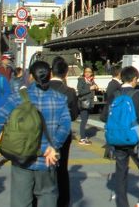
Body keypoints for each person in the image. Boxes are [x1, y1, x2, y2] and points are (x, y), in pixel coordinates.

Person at [0, 60, 72, 207]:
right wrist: (53, 147)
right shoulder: (60, 98)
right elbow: (66, 126)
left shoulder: (19, 97)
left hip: (22, 156)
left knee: (20, 200)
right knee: (47, 196)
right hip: (48, 159)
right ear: (50, 75)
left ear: (31, 76)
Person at [111, 66, 139, 207]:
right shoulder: (138, 95)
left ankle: (122, 204)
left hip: (117, 140)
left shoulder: (115, 95)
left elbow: (104, 116)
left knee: (121, 173)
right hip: (135, 141)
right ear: (134, 79)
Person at [49, 56, 79, 207]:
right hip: (63, 134)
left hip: (44, 134)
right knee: (62, 169)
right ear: (66, 73)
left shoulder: (43, 88)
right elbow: (74, 115)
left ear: (51, 72)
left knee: (44, 167)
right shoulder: (69, 92)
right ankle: (63, 201)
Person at [77, 66, 98, 145]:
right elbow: (80, 91)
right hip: (83, 103)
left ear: (92, 73)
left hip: (89, 103)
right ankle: (82, 138)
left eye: (89, 72)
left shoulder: (91, 80)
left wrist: (96, 87)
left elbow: (94, 87)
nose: (87, 73)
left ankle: (83, 136)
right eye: (86, 72)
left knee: (85, 120)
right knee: (84, 120)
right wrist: (90, 88)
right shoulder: (81, 80)